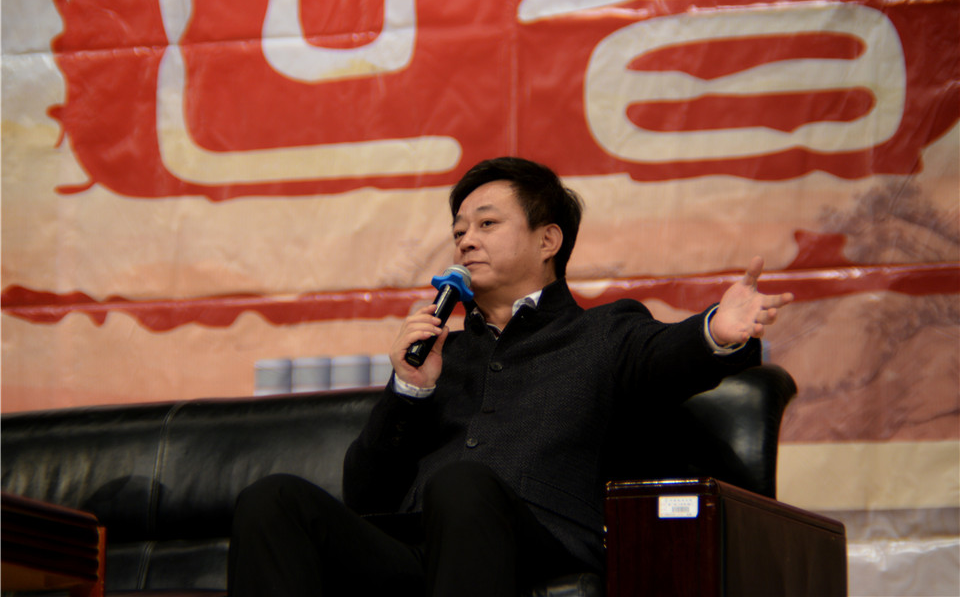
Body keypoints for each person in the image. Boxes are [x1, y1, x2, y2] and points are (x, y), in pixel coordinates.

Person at [227, 157, 793, 596]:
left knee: (462, 485)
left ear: (548, 241)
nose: (465, 241)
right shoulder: (440, 353)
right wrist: (409, 390)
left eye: (487, 224)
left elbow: (668, 356)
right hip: (417, 547)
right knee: (273, 500)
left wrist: (717, 329)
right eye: (459, 231)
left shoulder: (603, 332)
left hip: (537, 541)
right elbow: (365, 495)